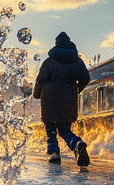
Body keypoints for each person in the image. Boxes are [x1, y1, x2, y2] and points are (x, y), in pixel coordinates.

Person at [33, 31, 90, 166]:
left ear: (57, 44)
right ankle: (77, 143)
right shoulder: (78, 61)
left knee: (51, 130)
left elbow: (40, 80)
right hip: (68, 102)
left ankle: (54, 154)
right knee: (65, 130)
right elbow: (85, 78)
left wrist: (37, 94)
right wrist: (75, 90)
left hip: (49, 102)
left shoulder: (49, 62)